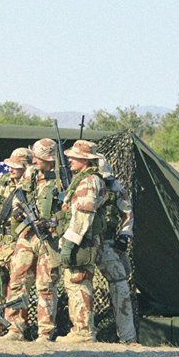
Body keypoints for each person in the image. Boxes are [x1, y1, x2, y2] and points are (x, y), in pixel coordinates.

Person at [3, 139, 64, 342]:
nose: (35, 161)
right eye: (34, 157)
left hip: (50, 237)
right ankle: (14, 328)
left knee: (45, 285)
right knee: (17, 280)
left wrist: (52, 222)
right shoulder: (30, 174)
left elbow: (68, 211)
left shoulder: (62, 179)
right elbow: (19, 197)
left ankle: (45, 332)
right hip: (27, 234)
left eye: (39, 158)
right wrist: (19, 211)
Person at [57, 139, 107, 343]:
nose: (70, 161)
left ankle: (83, 331)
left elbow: (83, 215)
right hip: (81, 238)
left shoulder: (88, 182)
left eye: (74, 158)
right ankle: (80, 328)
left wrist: (70, 242)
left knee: (78, 282)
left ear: (84, 160)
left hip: (82, 240)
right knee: (75, 282)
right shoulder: (85, 179)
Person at [0, 147, 32, 338]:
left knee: (17, 286)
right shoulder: (1, 182)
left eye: (17, 166)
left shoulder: (31, 186)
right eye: (10, 166)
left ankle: (16, 327)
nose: (11, 169)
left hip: (19, 242)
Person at [96, 157, 138, 344]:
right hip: (86, 241)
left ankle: (128, 336)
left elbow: (127, 213)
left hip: (108, 241)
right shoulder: (77, 184)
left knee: (121, 282)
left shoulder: (114, 187)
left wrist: (124, 235)